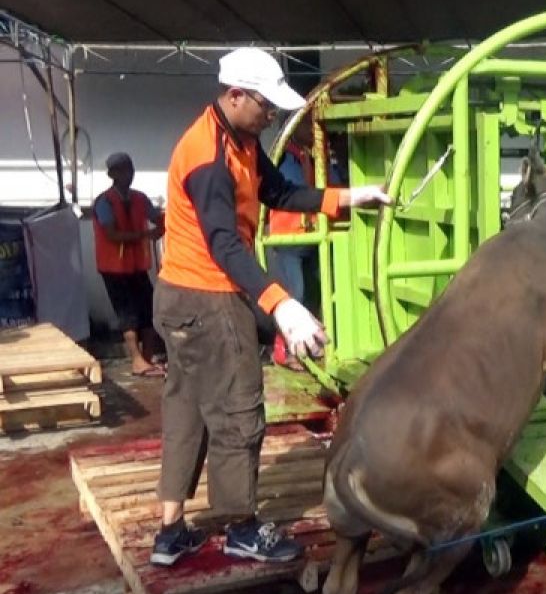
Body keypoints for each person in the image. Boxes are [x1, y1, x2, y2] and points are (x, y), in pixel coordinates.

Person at [150, 47, 391, 567]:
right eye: (265, 106)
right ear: (235, 96)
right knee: (239, 407)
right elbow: (226, 246)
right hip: (207, 297)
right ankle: (241, 527)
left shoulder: (239, 138)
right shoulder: (210, 158)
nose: (271, 116)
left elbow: (279, 192)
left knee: (187, 408)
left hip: (178, 296)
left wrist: (349, 197)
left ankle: (170, 533)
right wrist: (282, 305)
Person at [92, 152, 166, 377]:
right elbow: (112, 234)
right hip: (113, 268)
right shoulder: (103, 201)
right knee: (127, 315)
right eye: (123, 169)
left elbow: (158, 219)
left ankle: (148, 359)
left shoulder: (140, 198)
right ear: (112, 174)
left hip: (137, 265)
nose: (129, 174)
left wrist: (165, 224)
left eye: (131, 168)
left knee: (148, 310)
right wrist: (146, 234)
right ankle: (136, 360)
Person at [267, 116, 319, 371]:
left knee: (313, 294)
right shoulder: (283, 160)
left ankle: (306, 348)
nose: (315, 130)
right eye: (309, 125)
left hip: (310, 237)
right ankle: (282, 351)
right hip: (289, 238)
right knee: (293, 296)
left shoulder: (308, 157)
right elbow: (295, 191)